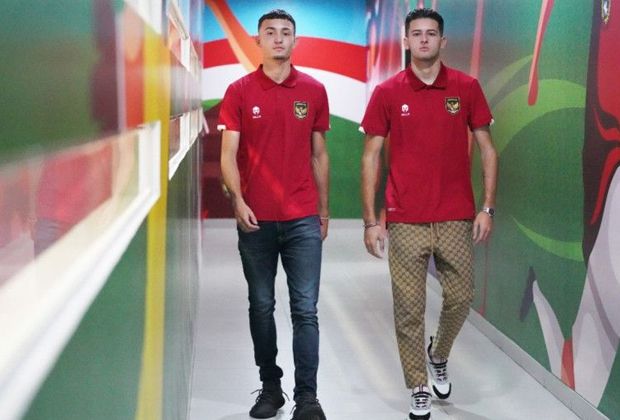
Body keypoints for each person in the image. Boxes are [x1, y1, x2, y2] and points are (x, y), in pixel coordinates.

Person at [359, 8, 498, 420]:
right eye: (416, 34)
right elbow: (370, 157)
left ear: (442, 41)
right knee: (408, 308)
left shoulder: (466, 88)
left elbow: (488, 149)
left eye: (431, 33)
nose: (423, 39)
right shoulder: (387, 92)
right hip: (404, 219)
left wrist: (487, 207)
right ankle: (418, 384)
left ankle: (439, 354)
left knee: (460, 298)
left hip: (456, 215)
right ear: (405, 42)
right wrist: (371, 221)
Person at [218, 9, 330, 420]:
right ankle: (270, 387)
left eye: (286, 33)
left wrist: (323, 210)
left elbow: (319, 155)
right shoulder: (239, 91)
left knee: (305, 310)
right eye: (270, 32)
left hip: (302, 219)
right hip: (256, 220)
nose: (278, 38)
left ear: (295, 41)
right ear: (258, 40)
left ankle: (307, 397)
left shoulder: (314, 90)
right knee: (261, 305)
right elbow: (228, 154)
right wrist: (238, 200)